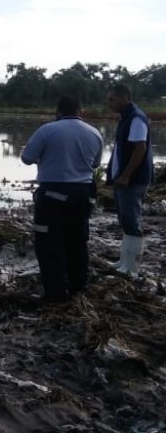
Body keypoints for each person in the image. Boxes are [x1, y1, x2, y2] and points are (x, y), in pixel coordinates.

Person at [21, 96, 104, 303]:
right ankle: (78, 289)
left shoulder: (47, 130)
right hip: (83, 195)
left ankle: (55, 295)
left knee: (48, 244)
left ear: (57, 111)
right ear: (80, 111)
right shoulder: (95, 133)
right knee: (77, 241)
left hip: (52, 195)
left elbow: (27, 158)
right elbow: (95, 164)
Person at [106, 84, 154, 276]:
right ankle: (123, 262)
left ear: (125, 97)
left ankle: (132, 268)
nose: (109, 103)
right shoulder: (127, 117)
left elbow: (140, 148)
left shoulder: (136, 118)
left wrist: (126, 175)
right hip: (124, 179)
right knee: (125, 219)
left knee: (132, 221)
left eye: (112, 100)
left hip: (133, 180)